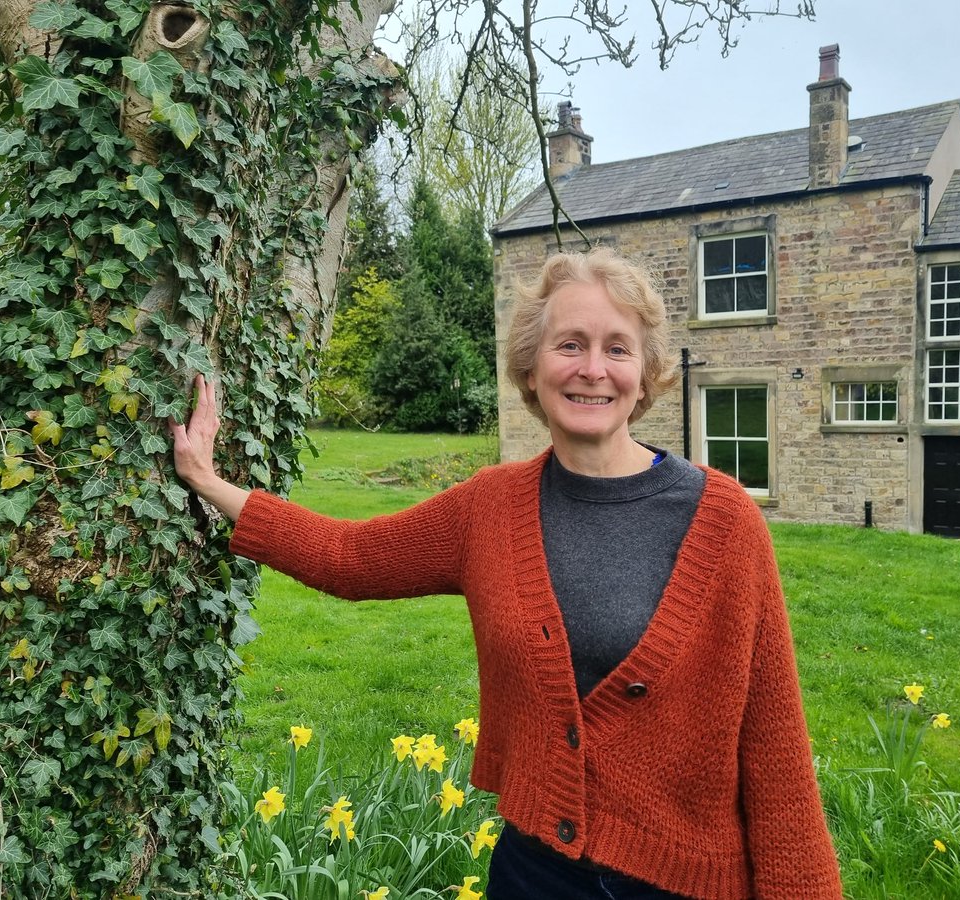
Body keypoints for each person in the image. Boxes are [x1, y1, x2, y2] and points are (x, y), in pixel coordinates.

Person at [170, 248, 843, 899]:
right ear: (531, 369)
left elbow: (776, 749)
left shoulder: (723, 521)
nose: (593, 369)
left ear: (645, 373)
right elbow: (351, 557)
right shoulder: (489, 509)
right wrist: (208, 482)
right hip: (533, 874)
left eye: (617, 348)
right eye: (569, 344)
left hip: (683, 886)